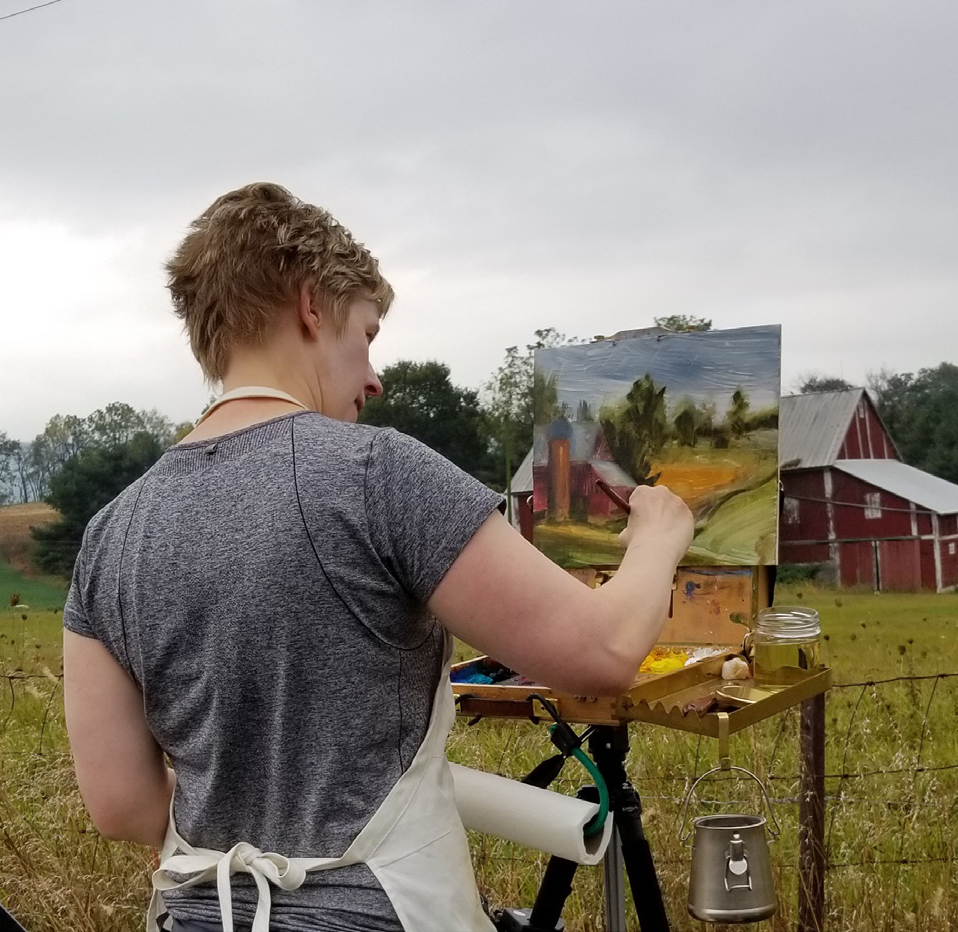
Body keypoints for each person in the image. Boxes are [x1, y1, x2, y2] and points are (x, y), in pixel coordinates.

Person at [62, 181, 695, 932]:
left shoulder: (110, 533)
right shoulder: (375, 476)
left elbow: (121, 807)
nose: (373, 376)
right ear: (309, 306)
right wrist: (657, 538)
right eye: (365, 334)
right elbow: (603, 650)